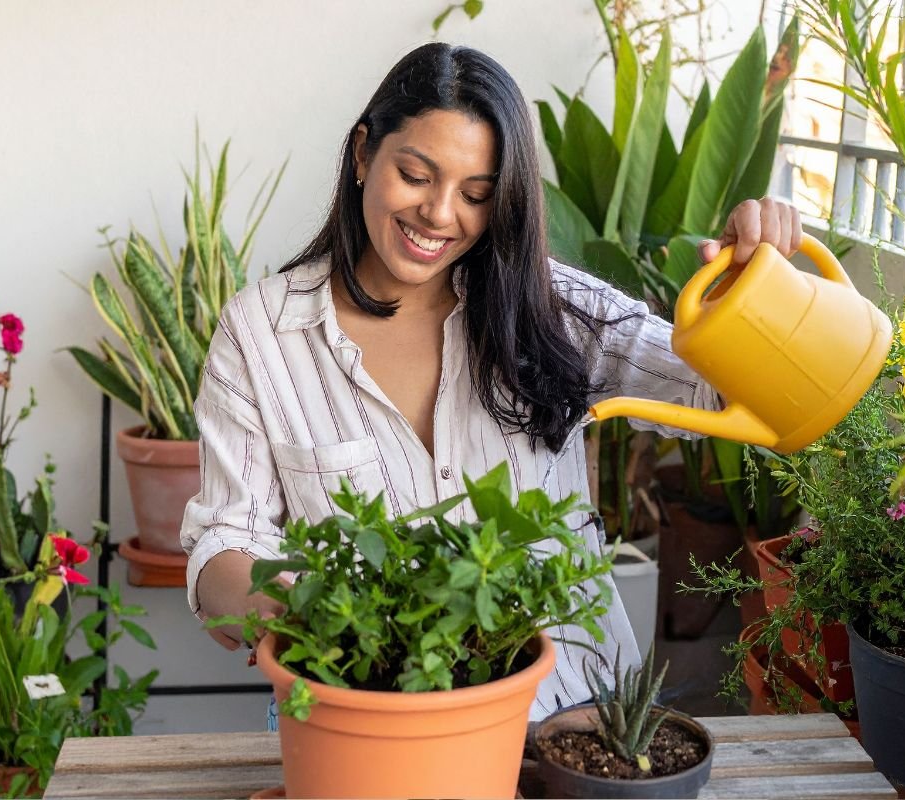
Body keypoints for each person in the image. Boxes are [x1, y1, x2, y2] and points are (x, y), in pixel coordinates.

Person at [180, 42, 803, 723]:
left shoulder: (553, 308)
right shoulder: (263, 333)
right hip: (364, 715)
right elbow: (225, 541)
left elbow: (730, 393)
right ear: (363, 155)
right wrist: (299, 617)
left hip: (574, 711)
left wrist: (753, 294)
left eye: (476, 194)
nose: (440, 215)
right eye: (415, 176)